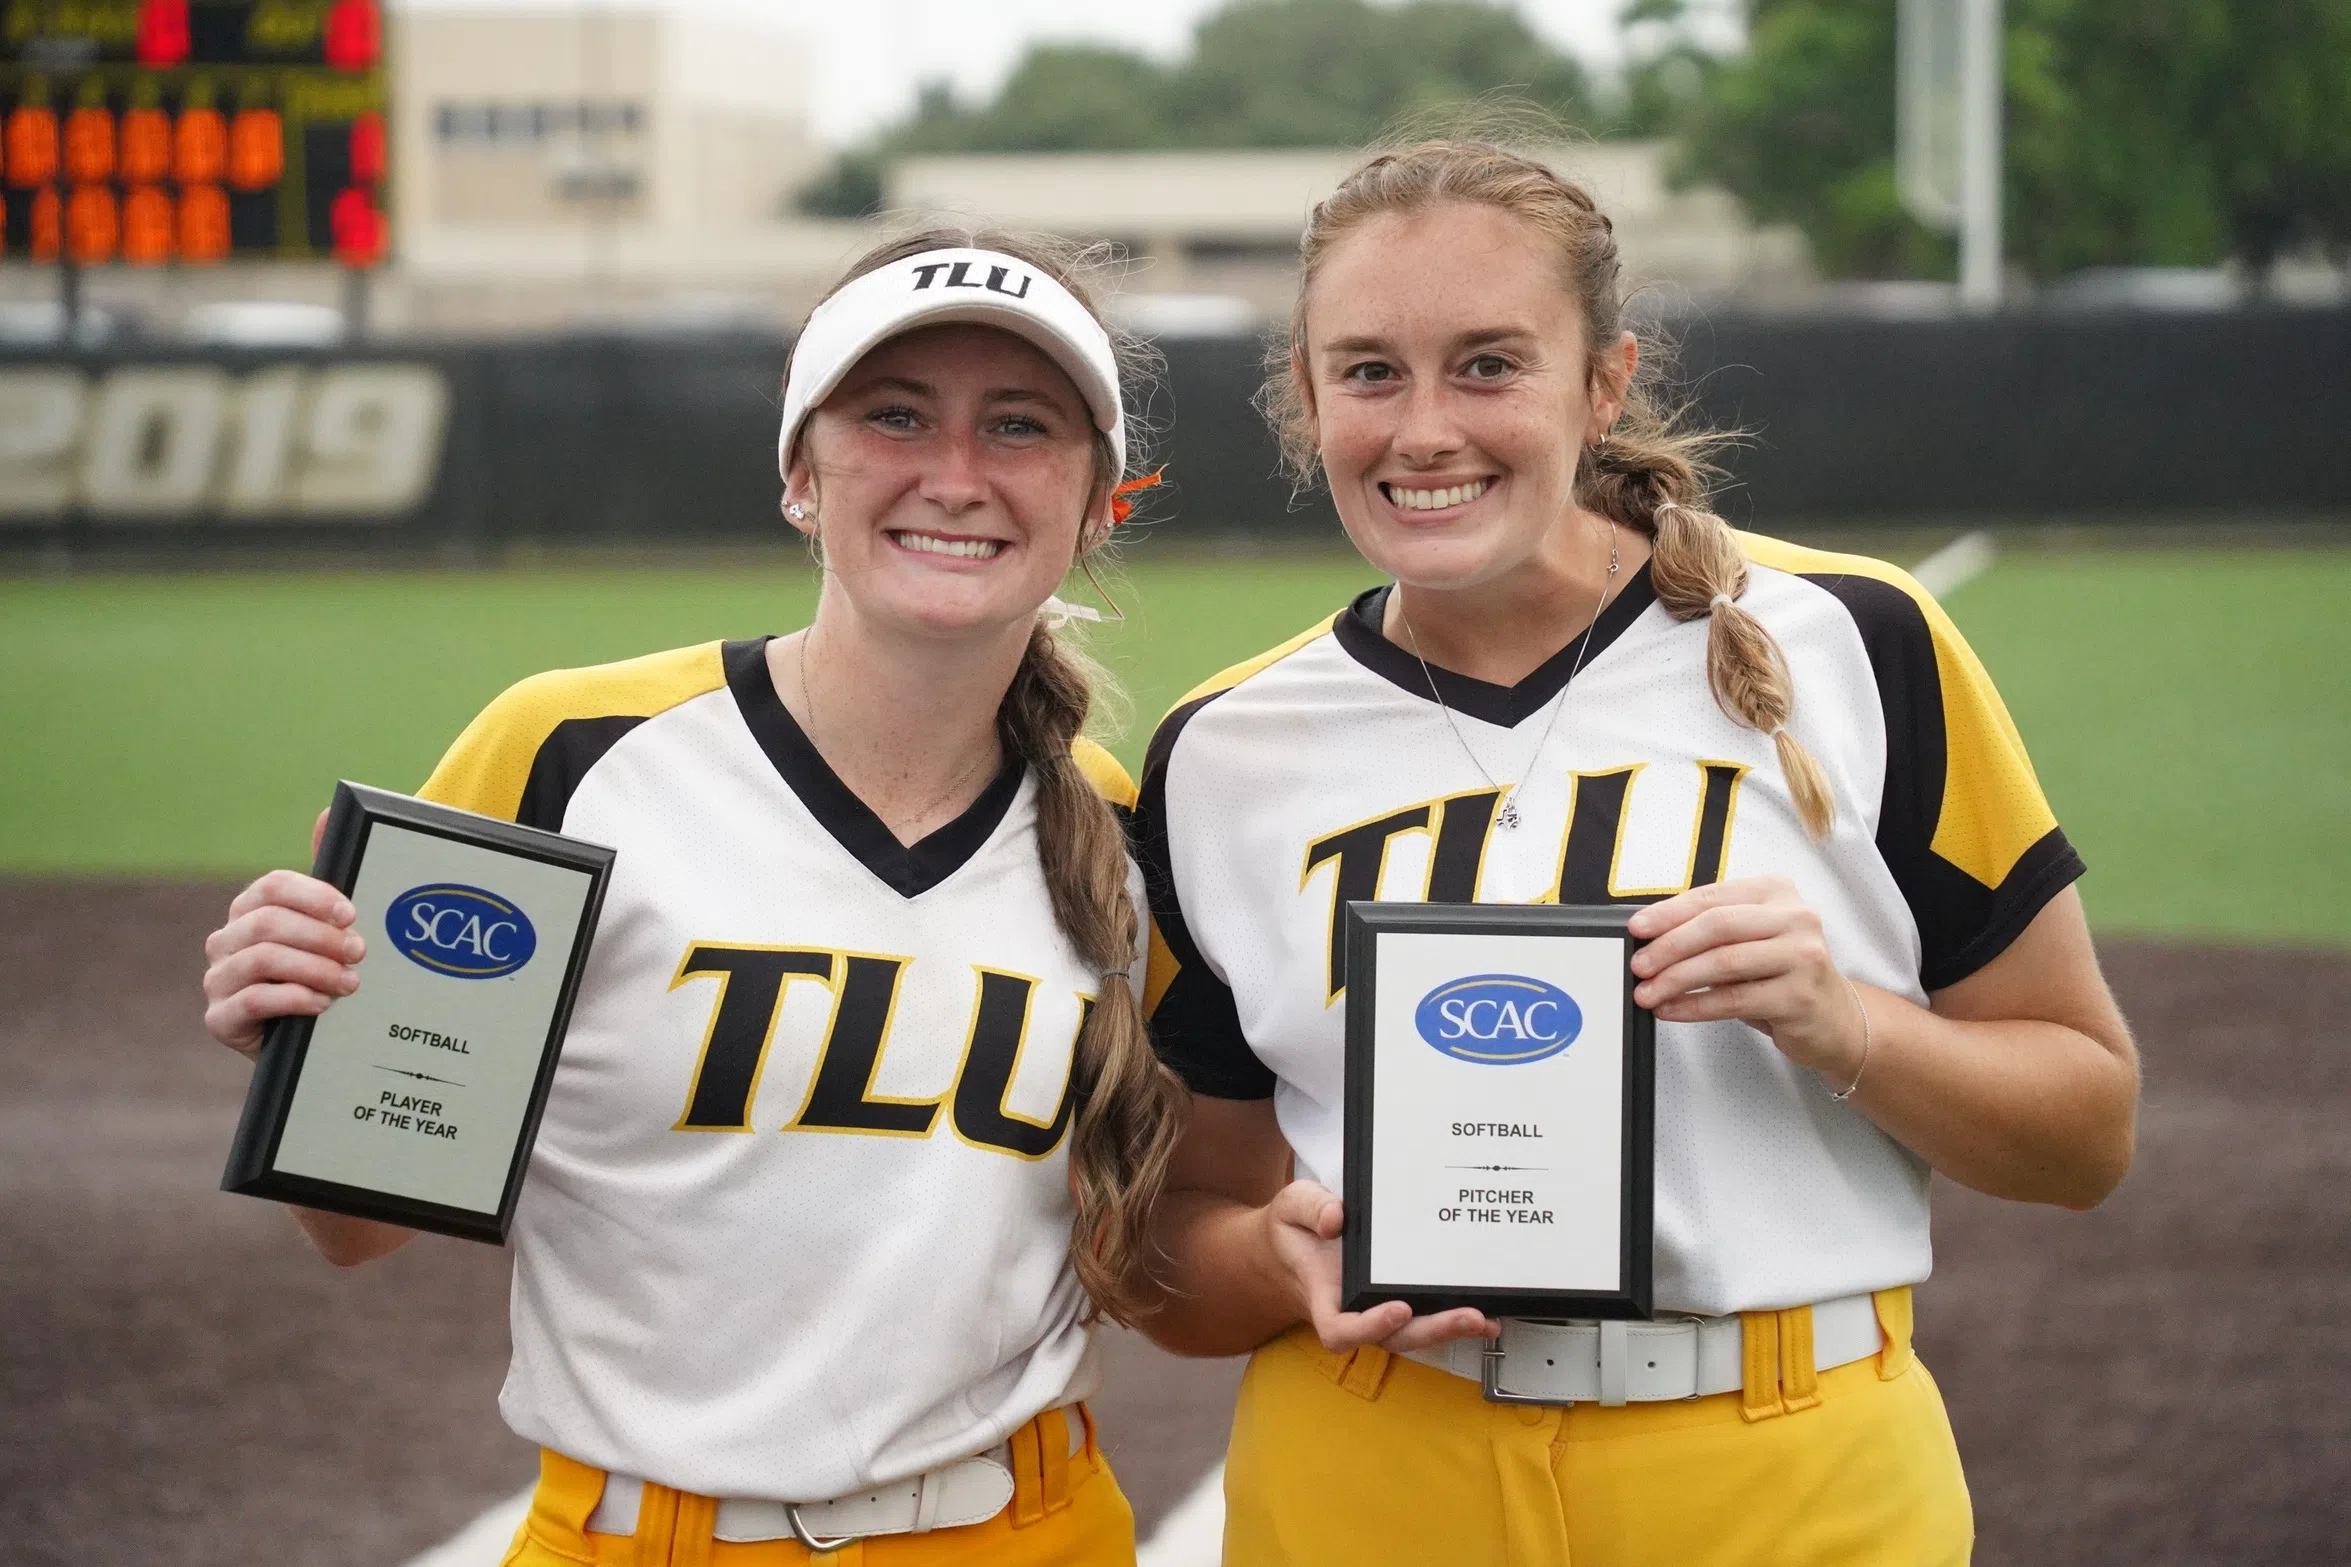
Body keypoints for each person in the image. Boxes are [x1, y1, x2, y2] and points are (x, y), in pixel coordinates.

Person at [1133, 135, 2139, 1565]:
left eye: (1488, 363)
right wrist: (1277, 1260)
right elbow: (1177, 1237)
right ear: (1304, 400)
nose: (1423, 430)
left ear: (1604, 381)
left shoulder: (1854, 644)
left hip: (1788, 1473)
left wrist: (1841, 1019)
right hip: (1372, 1470)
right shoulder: (1221, 749)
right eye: (1367, 371)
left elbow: (2085, 1133)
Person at [198, 230, 1185, 1566]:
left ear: (1095, 500)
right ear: (800, 471)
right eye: (894, 415)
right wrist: (303, 1024)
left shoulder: (1118, 825)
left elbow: (1171, 1216)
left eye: (1019, 426)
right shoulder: (567, 751)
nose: (954, 475)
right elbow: (360, 1219)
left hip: (1032, 1530)